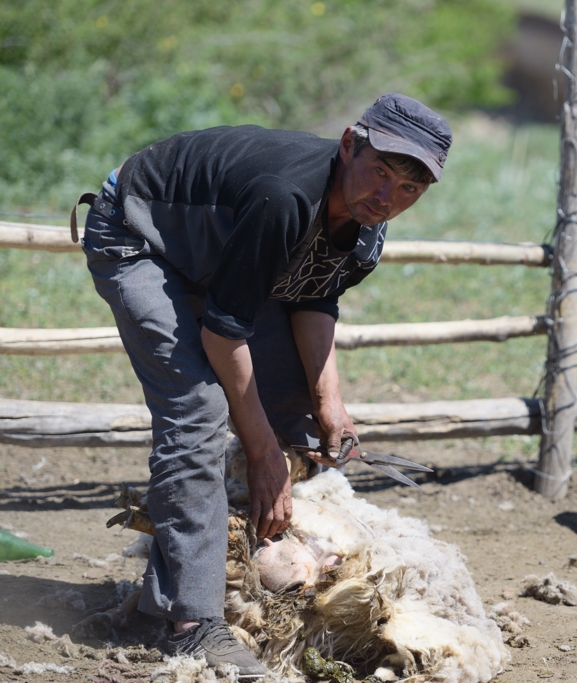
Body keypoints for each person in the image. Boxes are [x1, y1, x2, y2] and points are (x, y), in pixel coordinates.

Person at [73, 94, 452, 679]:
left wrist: (332, 407)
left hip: (224, 254)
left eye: (409, 188)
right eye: (381, 170)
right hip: (141, 234)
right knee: (196, 408)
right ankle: (191, 625)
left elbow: (311, 294)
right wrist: (261, 451)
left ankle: (222, 587)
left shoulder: (366, 232)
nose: (387, 197)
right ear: (350, 144)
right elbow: (224, 336)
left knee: (295, 406)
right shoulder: (286, 197)